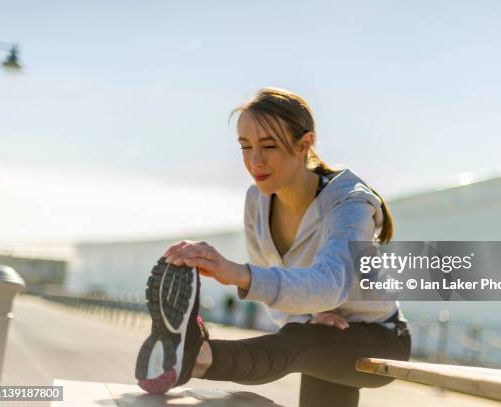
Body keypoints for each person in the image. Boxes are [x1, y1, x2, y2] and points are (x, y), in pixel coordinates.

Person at [135, 87, 411, 406]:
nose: (255, 160)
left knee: (299, 343)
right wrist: (305, 317)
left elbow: (331, 282)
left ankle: (198, 356)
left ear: (305, 144)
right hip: (321, 333)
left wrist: (240, 275)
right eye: (245, 146)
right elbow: (278, 296)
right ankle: (195, 354)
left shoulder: (349, 202)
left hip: (382, 336)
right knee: (307, 339)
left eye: (268, 146)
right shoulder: (257, 200)